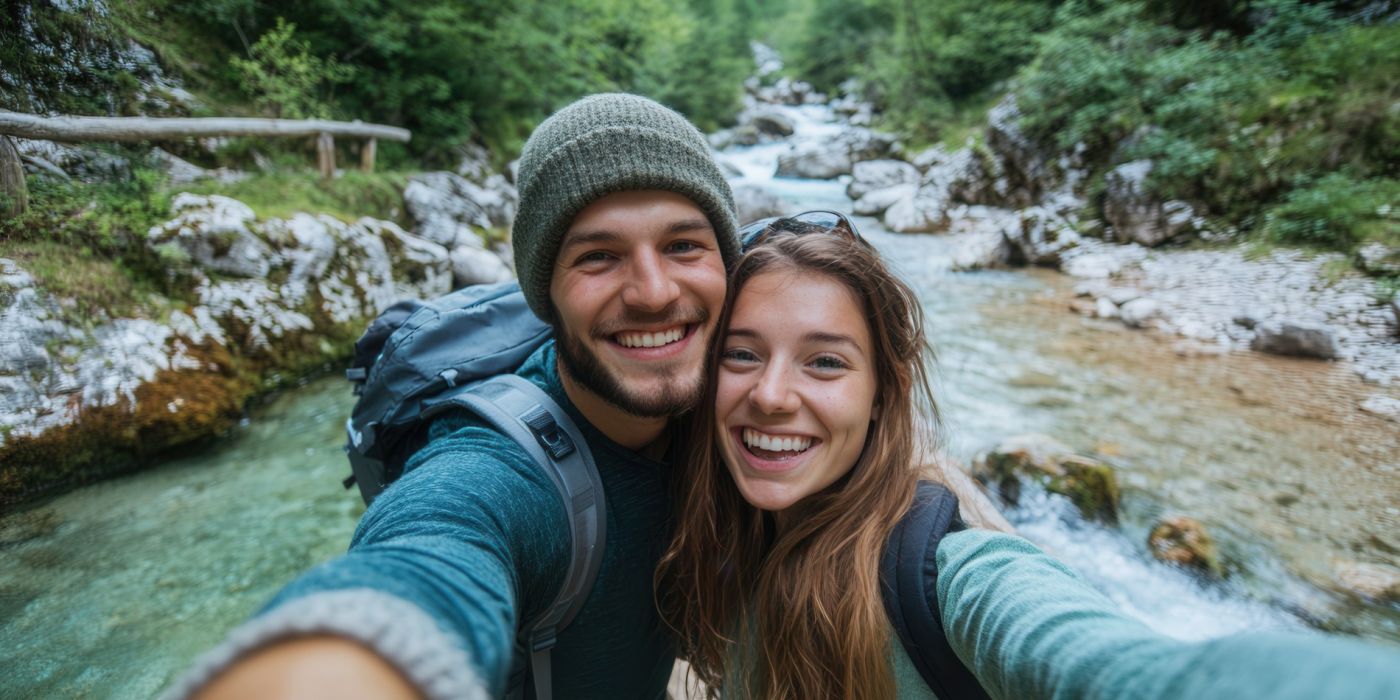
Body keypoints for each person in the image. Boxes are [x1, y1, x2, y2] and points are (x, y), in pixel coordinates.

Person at [655, 212, 1400, 700]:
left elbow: (1123, 670)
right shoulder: (717, 536)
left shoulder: (952, 576)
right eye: (742, 354)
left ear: (884, 392)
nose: (773, 396)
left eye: (825, 363)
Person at [167, 93, 742, 700]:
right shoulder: (502, 473)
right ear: (545, 294)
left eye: (684, 245)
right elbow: (432, 550)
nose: (653, 293)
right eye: (598, 256)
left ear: (728, 267)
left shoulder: (747, 398)